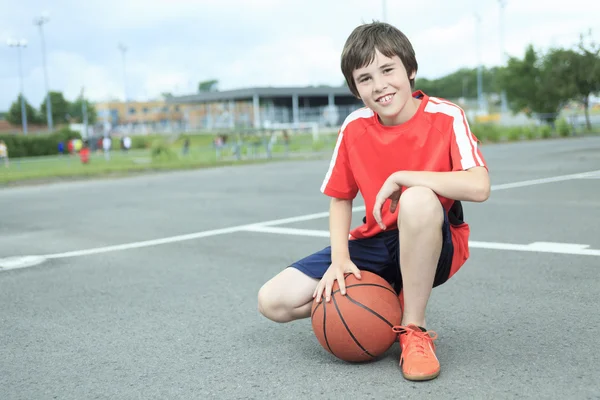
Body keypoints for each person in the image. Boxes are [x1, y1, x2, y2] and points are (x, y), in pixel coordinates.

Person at [257, 21, 490, 381]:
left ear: (410, 70)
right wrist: (340, 260)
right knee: (273, 301)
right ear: (356, 89)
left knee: (417, 199)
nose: (380, 85)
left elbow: (479, 186)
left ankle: (414, 330)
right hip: (375, 240)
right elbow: (340, 198)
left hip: (432, 238)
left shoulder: (446, 116)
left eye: (387, 69)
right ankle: (382, 306)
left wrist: (404, 177)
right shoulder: (354, 127)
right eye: (365, 78)